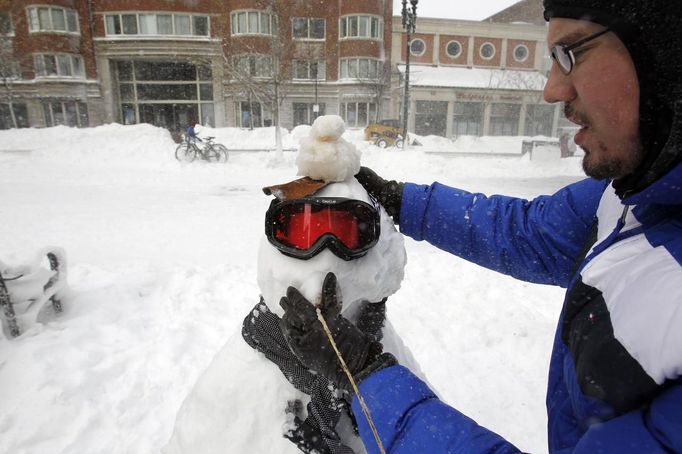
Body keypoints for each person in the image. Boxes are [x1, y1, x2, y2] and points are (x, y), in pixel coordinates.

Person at [277, 1, 682, 452]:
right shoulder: (634, 194)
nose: (552, 90)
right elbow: (532, 233)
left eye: (572, 53)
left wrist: (363, 375)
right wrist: (400, 201)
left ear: (668, 54)